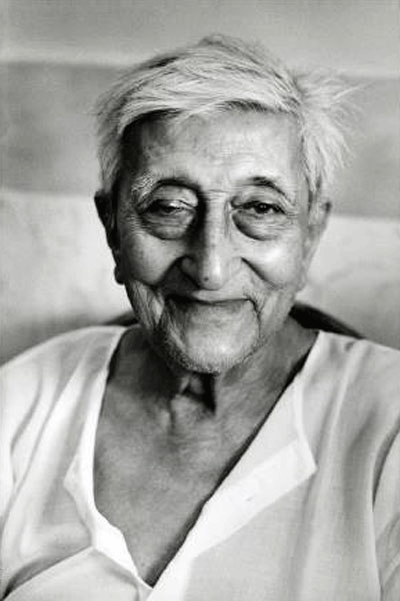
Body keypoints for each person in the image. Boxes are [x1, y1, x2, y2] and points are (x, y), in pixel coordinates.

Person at [0, 34, 399, 601]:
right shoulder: (23, 403)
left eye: (260, 208)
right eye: (168, 207)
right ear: (113, 230)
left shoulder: (388, 423)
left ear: (309, 235)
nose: (210, 268)